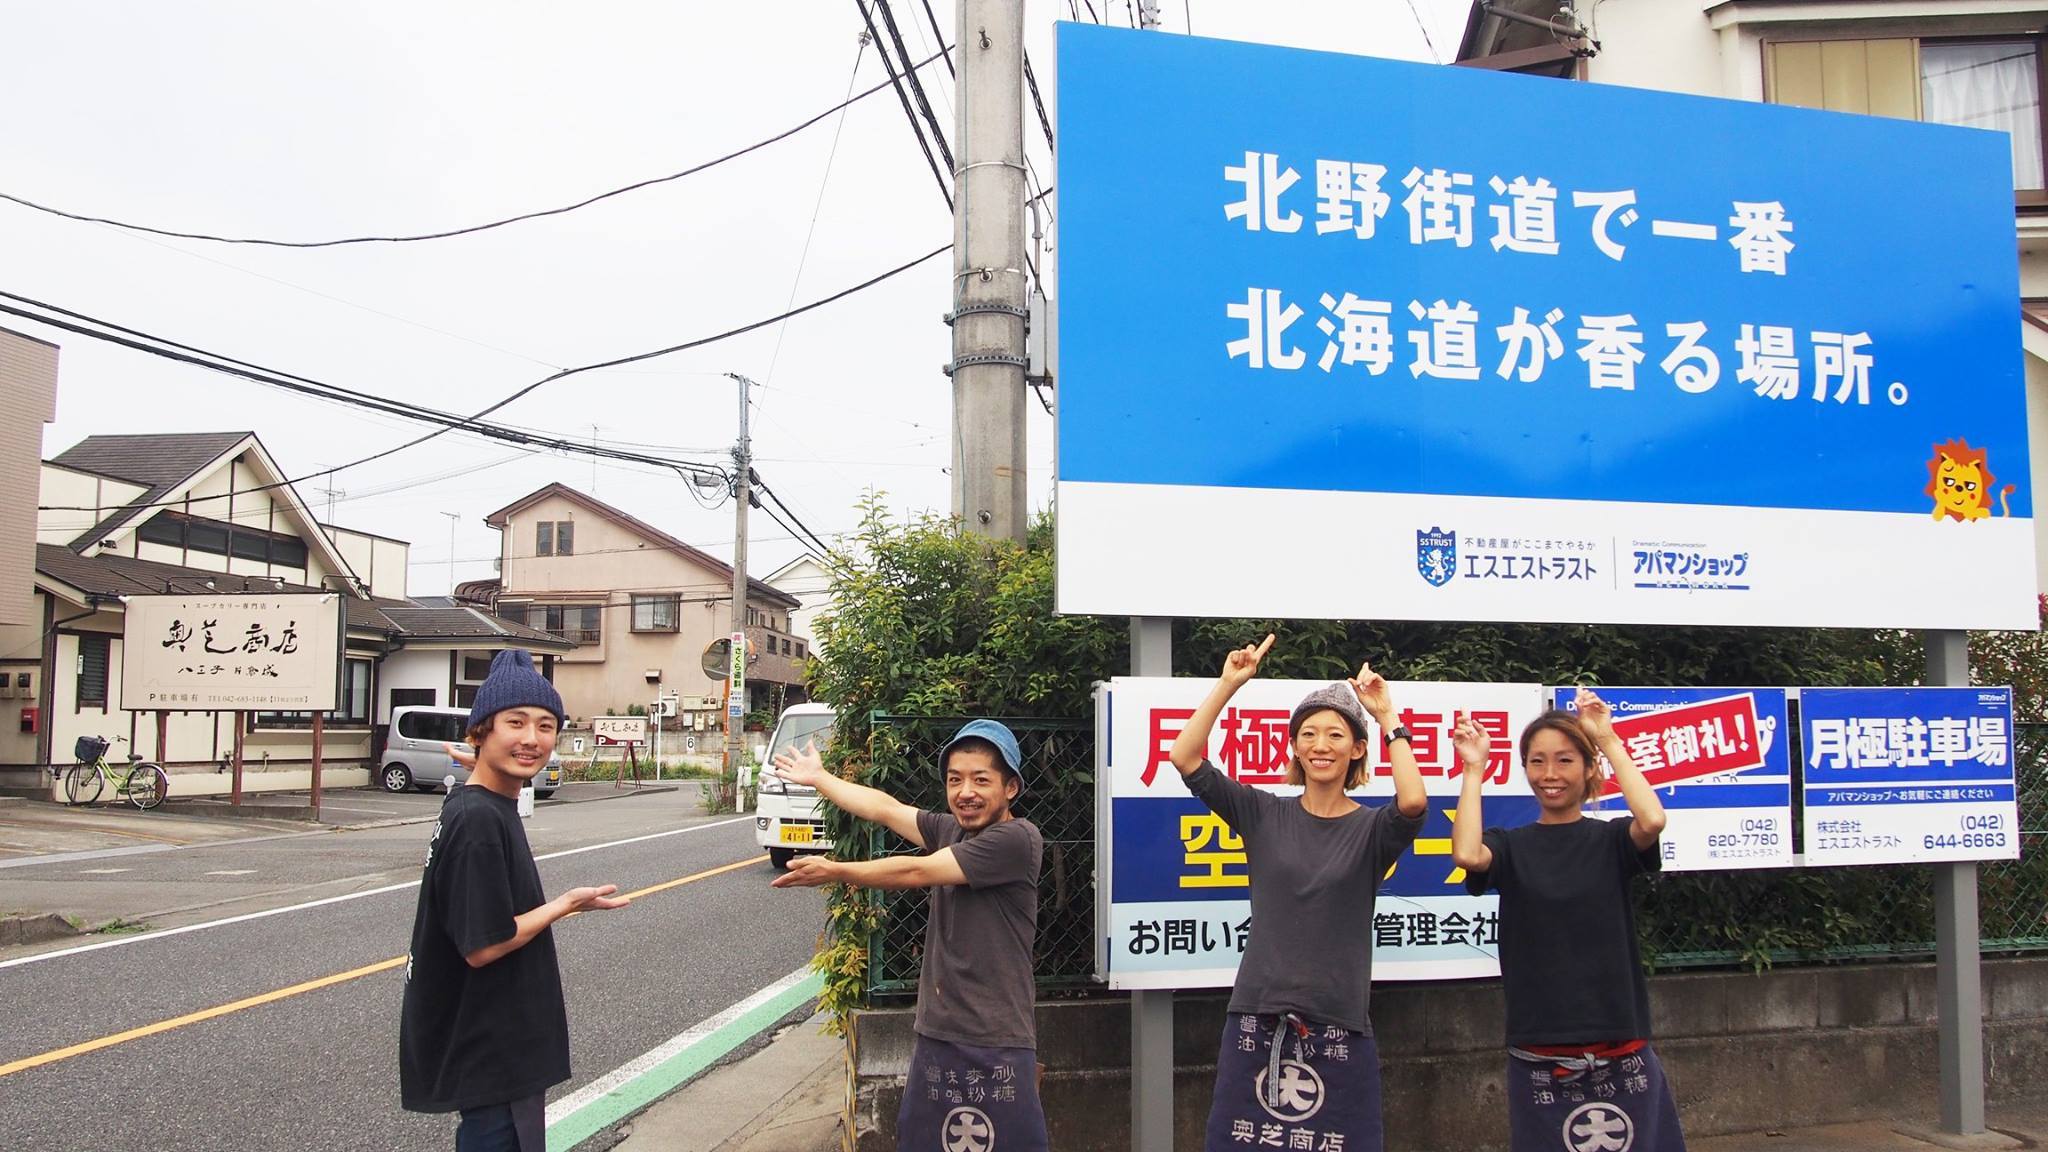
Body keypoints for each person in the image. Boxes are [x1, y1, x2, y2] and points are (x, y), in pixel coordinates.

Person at [1166, 634, 1429, 1152]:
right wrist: (1228, 684)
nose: (1321, 745)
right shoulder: (1262, 813)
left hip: (1339, 1021)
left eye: (1335, 735)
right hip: (1256, 1015)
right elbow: (1185, 756)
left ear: (1356, 749)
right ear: (1295, 747)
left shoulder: (1374, 830)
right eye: (1308, 734)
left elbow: (1415, 800)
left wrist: (1387, 715)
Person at [770, 719, 1047, 1152]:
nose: (965, 792)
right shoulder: (951, 830)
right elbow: (885, 808)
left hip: (996, 1041)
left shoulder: (1017, 840)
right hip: (937, 1033)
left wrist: (837, 870)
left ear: (1010, 788)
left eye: (981, 780)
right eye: (955, 780)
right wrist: (820, 778)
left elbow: (916, 871)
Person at [399, 649, 628, 1152]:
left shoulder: (477, 800)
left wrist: (478, 762)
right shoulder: (479, 821)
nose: (531, 739)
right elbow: (485, 944)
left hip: (490, 1041)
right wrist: (566, 903)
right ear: (480, 730)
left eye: (546, 726)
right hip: (495, 1049)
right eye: (515, 722)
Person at [1450, 688, 1685, 1151]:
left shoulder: (1613, 839)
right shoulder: (1510, 845)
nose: (1550, 774)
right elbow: (1466, 852)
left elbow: (1653, 820)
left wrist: (1608, 739)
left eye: (1565, 760)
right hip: (1539, 1042)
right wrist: (1473, 768)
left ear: (1588, 769)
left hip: (1619, 1038)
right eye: (1537, 762)